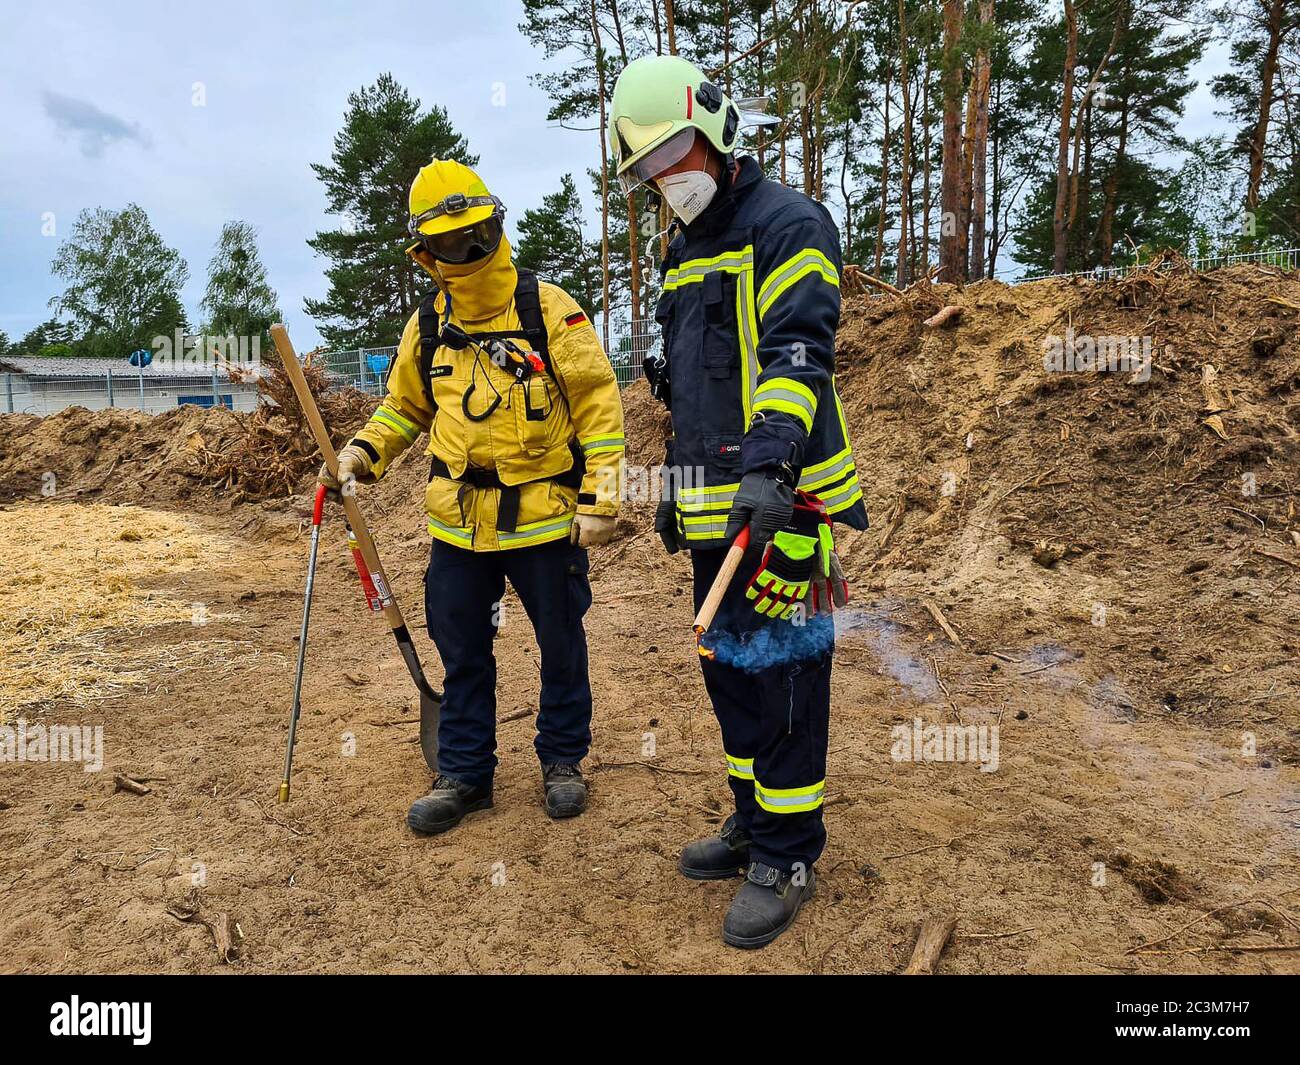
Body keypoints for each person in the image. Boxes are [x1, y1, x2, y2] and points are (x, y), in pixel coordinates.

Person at [609, 55, 869, 948]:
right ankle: (752, 816)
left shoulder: (789, 224)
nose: (664, 175)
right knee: (728, 667)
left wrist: (771, 471)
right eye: (647, 167)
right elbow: (706, 376)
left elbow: (798, 354)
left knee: (784, 676)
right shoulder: (683, 250)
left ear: (713, 131)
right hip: (716, 506)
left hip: (783, 503)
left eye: (674, 150)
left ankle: (789, 851)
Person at [320, 159, 625, 835]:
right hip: (460, 530)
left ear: (498, 224)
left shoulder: (551, 311)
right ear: (427, 254)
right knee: (462, 650)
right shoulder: (427, 326)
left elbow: (599, 404)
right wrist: (363, 454)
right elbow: (404, 407)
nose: (473, 250)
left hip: (546, 524)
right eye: (455, 244)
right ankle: (465, 772)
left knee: (561, 643)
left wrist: (603, 497)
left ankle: (563, 761)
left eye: (480, 234)